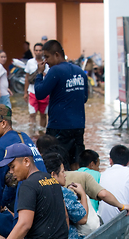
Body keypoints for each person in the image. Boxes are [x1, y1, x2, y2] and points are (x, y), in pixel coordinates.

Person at [0, 104, 46, 218]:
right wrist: (3, 202)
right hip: (45, 188)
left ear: (4, 123)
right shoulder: (23, 136)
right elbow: (12, 181)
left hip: (28, 195)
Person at [34, 39, 88, 168]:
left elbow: (40, 93)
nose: (45, 62)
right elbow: (84, 98)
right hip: (78, 125)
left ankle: (58, 188)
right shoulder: (80, 71)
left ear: (57, 55)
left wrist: (39, 74)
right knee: (76, 162)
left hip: (59, 126)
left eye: (47, 57)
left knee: (56, 163)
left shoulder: (55, 71)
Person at [43, 151, 88, 239]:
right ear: (53, 175)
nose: (65, 175)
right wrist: (83, 194)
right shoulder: (64, 192)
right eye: (63, 171)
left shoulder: (35, 189)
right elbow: (82, 219)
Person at [98, 145, 129, 224]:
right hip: (123, 221)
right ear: (128, 162)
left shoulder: (103, 174)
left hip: (103, 222)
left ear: (110, 161)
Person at [24, 43, 49, 134]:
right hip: (32, 92)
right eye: (36, 50)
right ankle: (31, 133)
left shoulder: (47, 63)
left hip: (44, 92)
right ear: (34, 51)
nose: (38, 52)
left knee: (43, 114)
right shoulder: (30, 62)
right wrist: (25, 93)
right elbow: (27, 78)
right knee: (32, 114)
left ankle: (42, 134)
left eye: (40, 50)